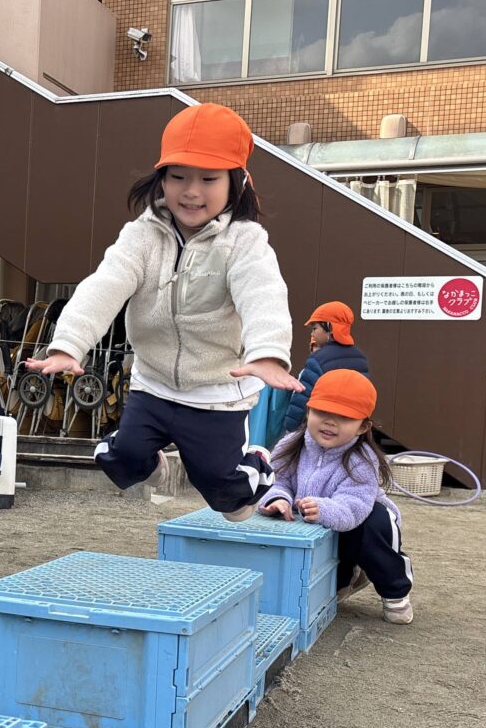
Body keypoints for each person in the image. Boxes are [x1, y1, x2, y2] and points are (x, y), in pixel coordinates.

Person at [24, 102, 301, 521]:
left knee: (227, 495)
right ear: (161, 179)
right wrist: (68, 345)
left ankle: (256, 466)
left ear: (237, 182)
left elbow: (262, 293)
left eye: (208, 179)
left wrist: (267, 353)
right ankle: (157, 466)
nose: (191, 191)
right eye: (178, 176)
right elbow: (104, 285)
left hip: (214, 391)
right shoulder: (142, 236)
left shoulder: (244, 242)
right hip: (153, 384)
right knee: (121, 460)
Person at [258, 369, 414, 625]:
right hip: (315, 526)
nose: (330, 423)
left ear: (363, 426)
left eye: (344, 417)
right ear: (308, 411)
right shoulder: (290, 444)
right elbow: (276, 479)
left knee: (375, 525)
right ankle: (346, 578)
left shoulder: (361, 459)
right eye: (322, 412)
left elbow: (354, 506)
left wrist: (323, 508)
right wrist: (278, 499)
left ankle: (395, 592)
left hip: (359, 524)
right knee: (330, 583)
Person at [281, 301, 370, 435]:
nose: (312, 334)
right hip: (348, 428)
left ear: (330, 327)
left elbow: (302, 398)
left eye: (314, 328)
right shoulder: (361, 358)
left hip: (321, 428)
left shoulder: (319, 359)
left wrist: (291, 427)